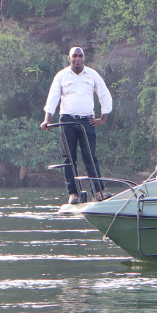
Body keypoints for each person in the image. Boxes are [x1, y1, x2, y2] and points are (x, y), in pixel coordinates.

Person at [41, 46, 113, 204]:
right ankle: (73, 194)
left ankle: (98, 192)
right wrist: (47, 119)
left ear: (84, 58)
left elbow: (104, 95)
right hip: (67, 120)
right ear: (69, 58)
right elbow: (52, 98)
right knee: (68, 158)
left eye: (80, 56)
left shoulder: (92, 75)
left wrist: (103, 118)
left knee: (90, 157)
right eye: (75, 56)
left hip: (87, 120)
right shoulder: (61, 76)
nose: (78, 58)